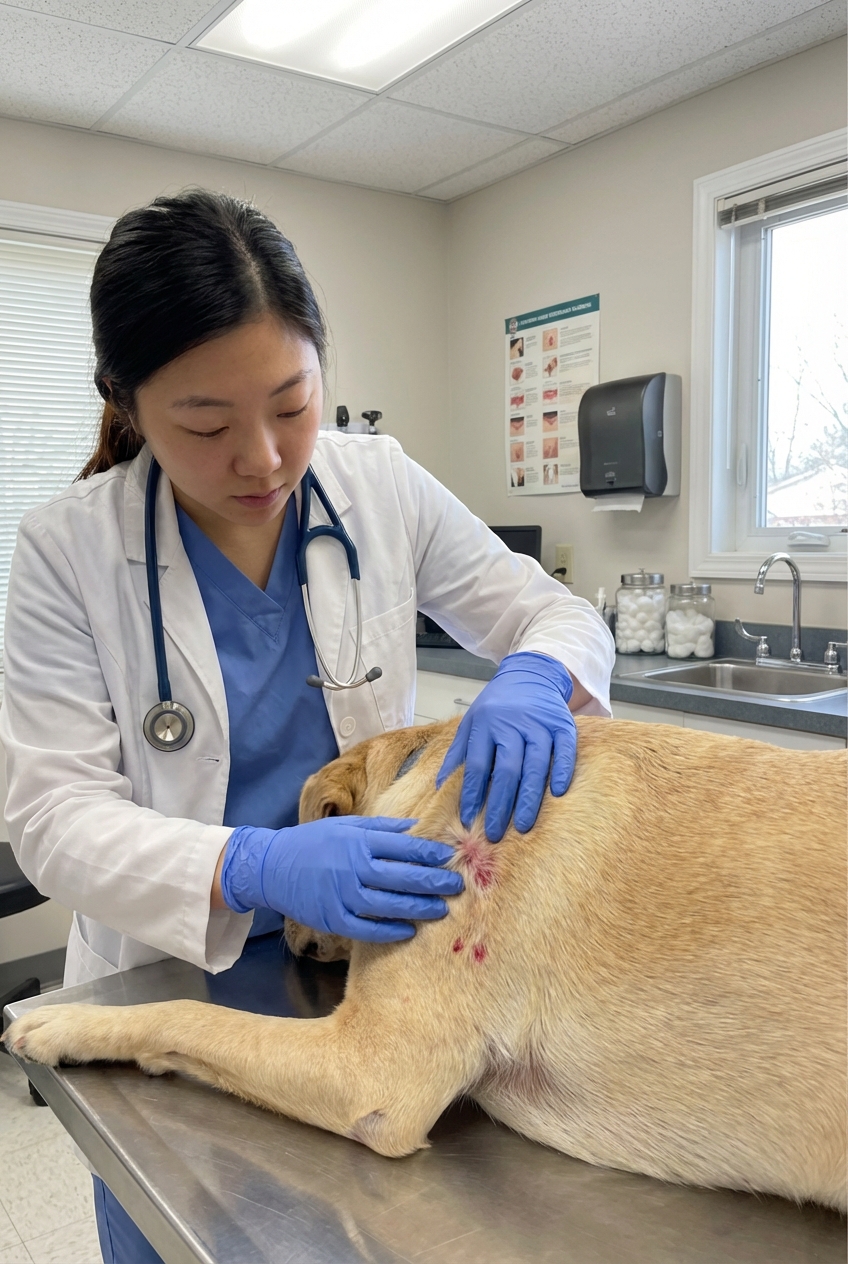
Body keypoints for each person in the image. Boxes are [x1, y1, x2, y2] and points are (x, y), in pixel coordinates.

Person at [0, 190, 614, 1262]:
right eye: (205, 423)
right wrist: (251, 862)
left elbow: (549, 608)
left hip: (367, 963)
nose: (267, 459)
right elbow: (52, 816)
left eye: (292, 404)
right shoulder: (66, 552)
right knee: (173, 1233)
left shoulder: (378, 486)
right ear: (127, 402)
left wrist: (534, 670)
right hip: (167, 979)